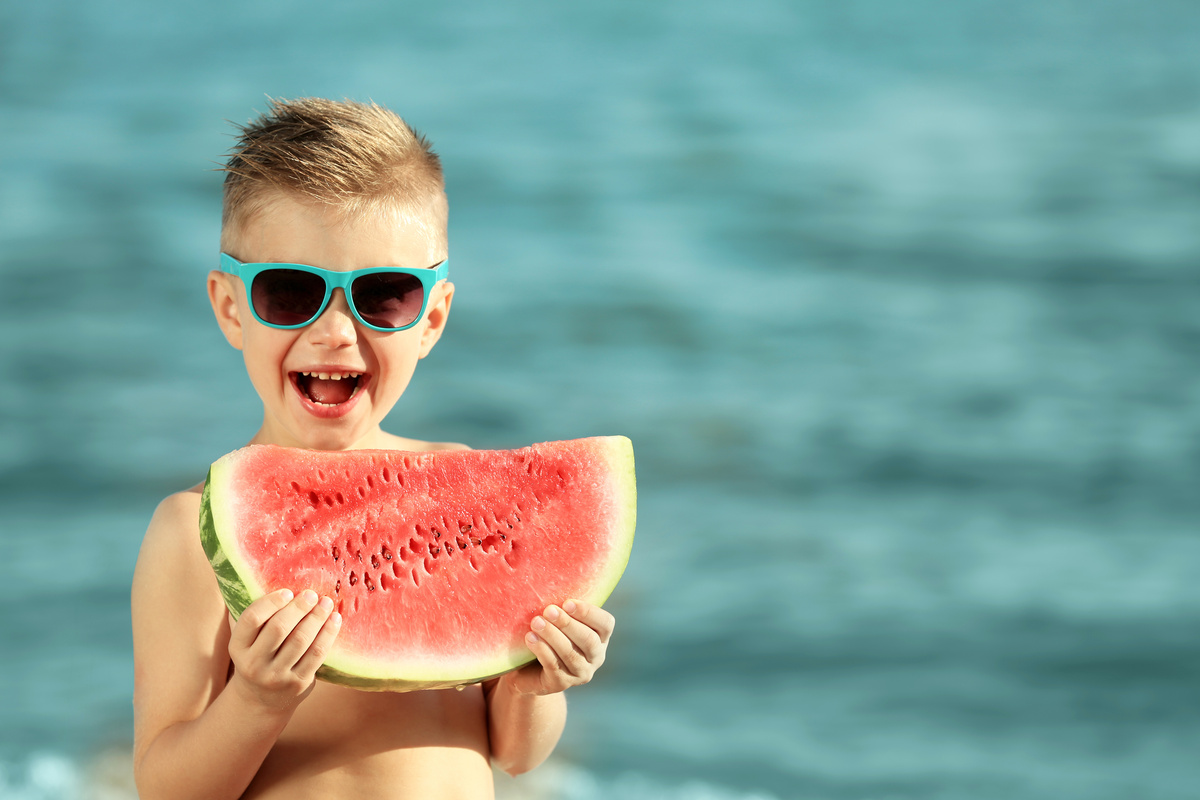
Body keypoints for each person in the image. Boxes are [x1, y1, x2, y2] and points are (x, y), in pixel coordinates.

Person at [130, 97, 616, 800]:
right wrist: (258, 700)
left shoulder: (463, 491)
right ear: (231, 307)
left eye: (383, 295)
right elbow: (167, 786)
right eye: (291, 291)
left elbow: (513, 753)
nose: (334, 331)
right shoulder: (191, 532)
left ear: (432, 318)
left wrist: (536, 683)